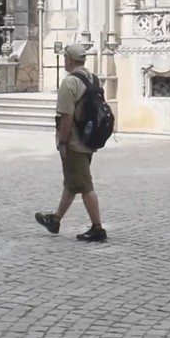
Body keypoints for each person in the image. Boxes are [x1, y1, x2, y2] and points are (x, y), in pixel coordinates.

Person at [34, 42, 107, 242]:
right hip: (89, 138)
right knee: (73, 180)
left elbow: (65, 117)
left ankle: (97, 228)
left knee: (84, 185)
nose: (64, 60)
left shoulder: (69, 83)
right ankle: (55, 220)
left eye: (65, 57)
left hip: (74, 141)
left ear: (70, 59)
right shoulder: (93, 78)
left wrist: (63, 142)